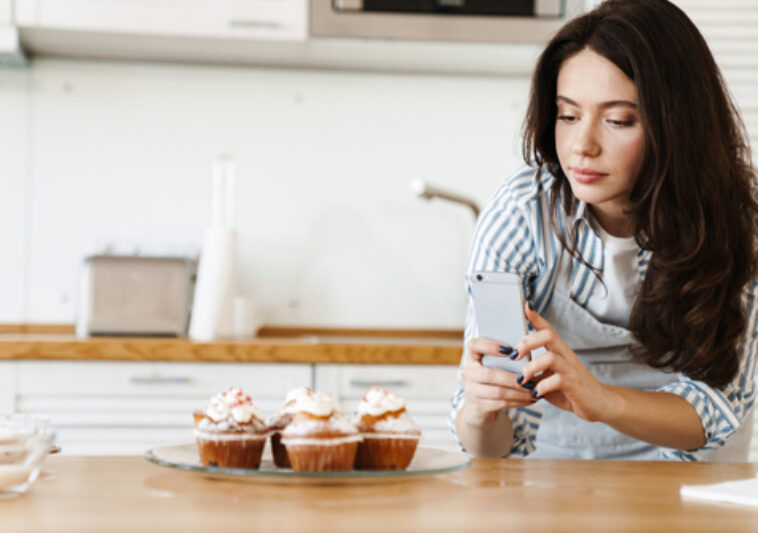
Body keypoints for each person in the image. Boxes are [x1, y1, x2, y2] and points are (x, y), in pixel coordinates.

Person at [450, 0, 758, 461]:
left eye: (618, 120)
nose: (582, 146)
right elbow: (494, 447)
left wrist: (598, 398)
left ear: (678, 125)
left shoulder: (735, 217)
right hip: (554, 481)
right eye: (568, 116)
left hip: (693, 488)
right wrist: (479, 412)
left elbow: (717, 407)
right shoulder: (522, 213)